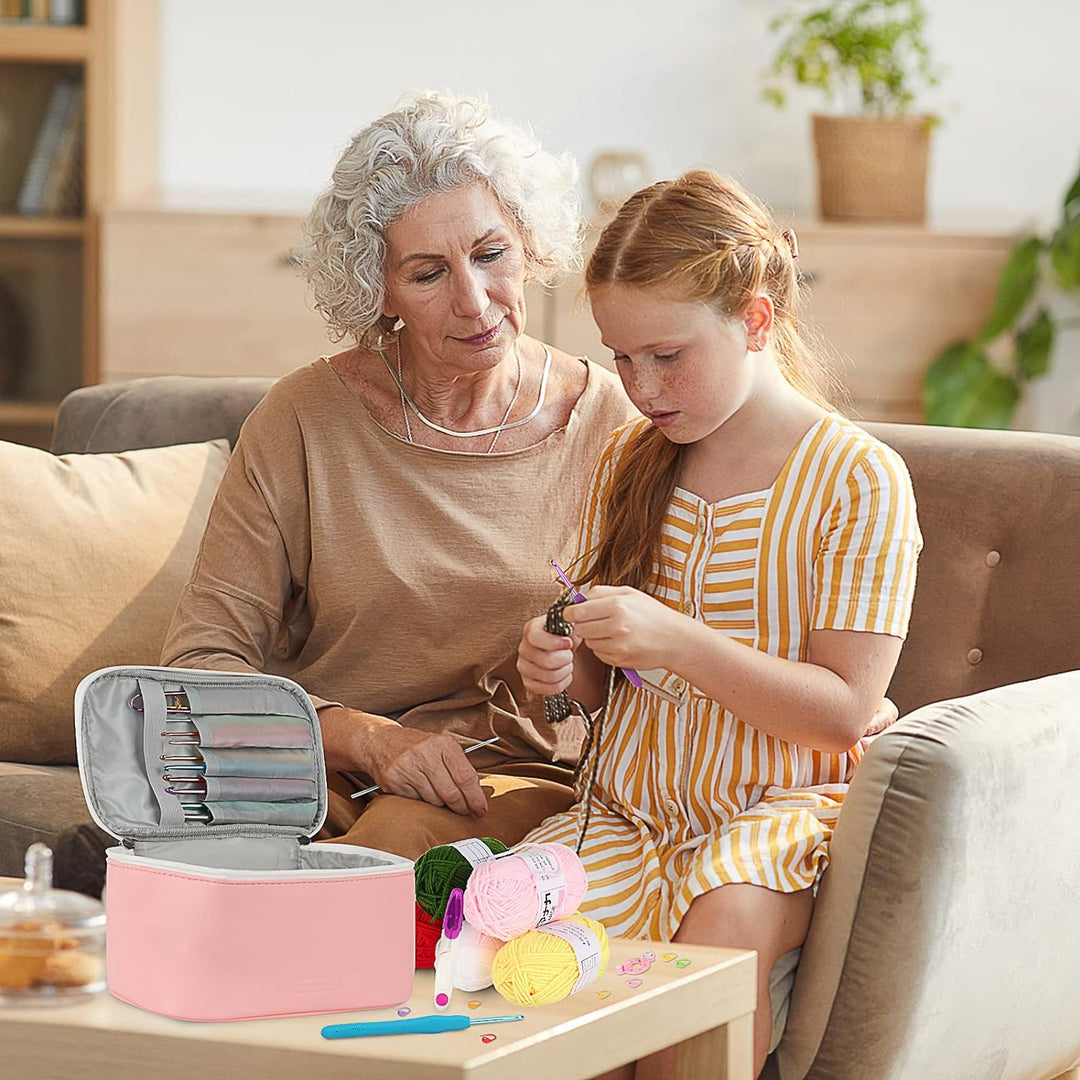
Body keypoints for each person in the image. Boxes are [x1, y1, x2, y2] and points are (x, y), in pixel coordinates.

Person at [154, 90, 639, 858]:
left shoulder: (615, 427)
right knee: (181, 843)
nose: (474, 302)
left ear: (528, 242)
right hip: (325, 771)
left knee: (382, 854)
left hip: (503, 778)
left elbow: (669, 657)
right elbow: (200, 665)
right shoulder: (302, 420)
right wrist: (367, 740)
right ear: (377, 289)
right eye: (427, 273)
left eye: (491, 254)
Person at [516, 170, 922, 1078]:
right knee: (523, 955)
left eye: (667, 354)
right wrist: (559, 667)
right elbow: (602, 694)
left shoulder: (858, 480)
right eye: (621, 358)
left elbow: (843, 713)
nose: (640, 385)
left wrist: (677, 640)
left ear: (756, 321)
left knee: (721, 923)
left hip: (777, 815)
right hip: (630, 814)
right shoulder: (631, 460)